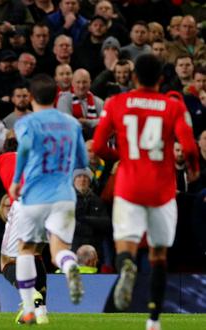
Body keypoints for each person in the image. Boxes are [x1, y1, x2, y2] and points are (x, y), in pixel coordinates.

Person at [92, 54, 200, 330]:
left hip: (128, 186)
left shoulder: (117, 102)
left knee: (125, 245)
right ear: (161, 79)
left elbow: (99, 145)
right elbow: (188, 146)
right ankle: (153, 319)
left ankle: (126, 263)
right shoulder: (172, 105)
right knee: (159, 254)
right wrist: (194, 167)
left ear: (134, 77)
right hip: (162, 190)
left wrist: (122, 156)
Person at [10, 74, 88, 324]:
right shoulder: (71, 123)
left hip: (33, 196)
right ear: (57, 97)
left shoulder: (26, 123)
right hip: (64, 197)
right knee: (58, 251)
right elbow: (84, 162)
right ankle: (69, 267)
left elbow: (23, 148)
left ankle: (30, 310)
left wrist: (15, 180)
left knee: (25, 249)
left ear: (31, 98)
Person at [0, 147, 49, 325]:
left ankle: (30, 291)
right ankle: (40, 310)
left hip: (25, 203)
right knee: (34, 253)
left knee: (6, 261)